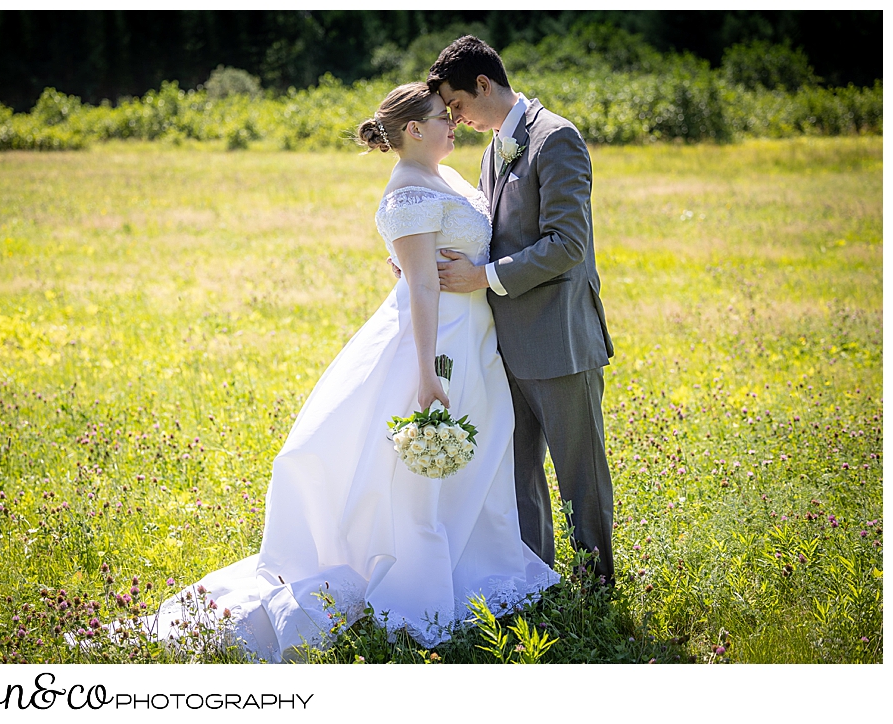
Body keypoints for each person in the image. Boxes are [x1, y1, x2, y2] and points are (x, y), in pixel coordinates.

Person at [103, 82, 559, 663]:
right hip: (437, 344)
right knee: (416, 474)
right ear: (413, 131)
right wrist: (426, 373)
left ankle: (469, 560)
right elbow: (419, 283)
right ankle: (416, 578)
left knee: (472, 462)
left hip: (475, 338)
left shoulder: (447, 177)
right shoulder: (407, 193)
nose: (454, 124)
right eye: (442, 118)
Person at [426, 36, 616, 585]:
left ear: (484, 84)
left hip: (559, 339)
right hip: (505, 346)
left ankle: (595, 587)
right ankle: (537, 580)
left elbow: (567, 243)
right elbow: (491, 233)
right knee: (519, 475)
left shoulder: (556, 139)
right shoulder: (494, 148)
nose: (455, 119)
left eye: (456, 105)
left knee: (580, 475)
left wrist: (482, 277)